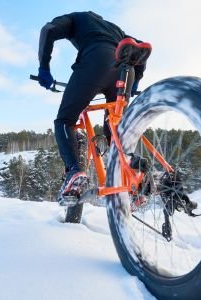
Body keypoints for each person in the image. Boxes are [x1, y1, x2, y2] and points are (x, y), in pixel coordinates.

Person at [36, 11, 146, 204]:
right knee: (114, 124)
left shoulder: (76, 18)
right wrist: (135, 82)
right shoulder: (115, 28)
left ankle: (74, 172)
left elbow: (49, 30)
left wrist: (44, 67)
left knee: (64, 120)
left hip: (95, 62)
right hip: (123, 71)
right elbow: (140, 48)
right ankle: (129, 178)